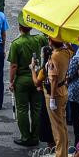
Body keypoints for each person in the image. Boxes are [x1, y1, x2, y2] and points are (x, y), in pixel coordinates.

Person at [8, 14, 48, 147]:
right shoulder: (39, 39)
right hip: (36, 77)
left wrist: (11, 81)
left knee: (22, 109)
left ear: (19, 27)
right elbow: (47, 39)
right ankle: (35, 136)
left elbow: (13, 66)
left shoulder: (16, 44)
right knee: (36, 108)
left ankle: (26, 137)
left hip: (22, 79)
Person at [41, 37, 74, 157]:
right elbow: (72, 51)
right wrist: (67, 42)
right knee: (62, 126)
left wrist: (52, 98)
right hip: (63, 90)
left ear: (50, 42)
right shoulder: (66, 52)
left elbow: (53, 79)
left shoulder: (54, 56)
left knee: (57, 129)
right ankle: (64, 154)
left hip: (54, 93)